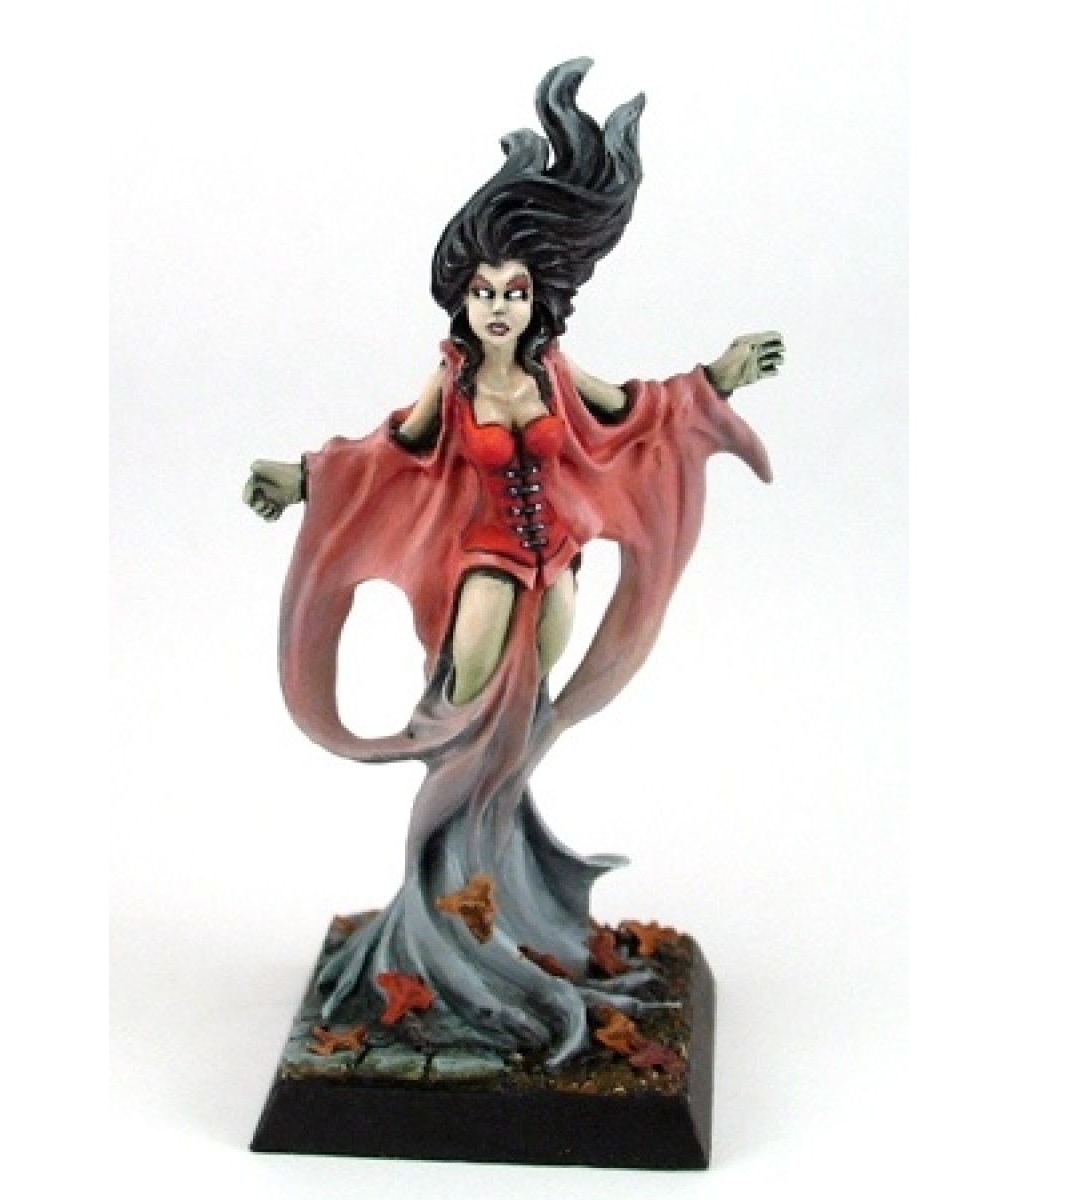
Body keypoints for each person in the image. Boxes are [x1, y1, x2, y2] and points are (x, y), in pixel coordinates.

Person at [243, 59, 783, 1065]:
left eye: (515, 292)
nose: (499, 306)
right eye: (485, 293)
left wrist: (720, 375)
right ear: (465, 301)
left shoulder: (553, 372)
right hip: (485, 559)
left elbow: (640, 412)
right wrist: (300, 477)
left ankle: (504, 881)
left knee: (532, 715)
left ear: (537, 301)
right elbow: (384, 452)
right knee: (466, 708)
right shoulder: (452, 380)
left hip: (558, 559)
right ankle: (442, 896)